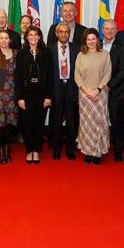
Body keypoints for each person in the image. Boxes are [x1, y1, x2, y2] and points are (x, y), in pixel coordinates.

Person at [16, 27, 53, 163]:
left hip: (42, 95)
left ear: (39, 37)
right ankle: (29, 150)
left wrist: (49, 96)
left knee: (39, 123)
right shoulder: (21, 53)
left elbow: (50, 76)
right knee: (27, 123)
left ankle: (36, 150)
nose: (33, 37)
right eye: (30, 35)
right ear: (26, 37)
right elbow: (18, 76)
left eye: (36, 35)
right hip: (26, 95)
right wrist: (19, 97)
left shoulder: (46, 52)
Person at [75, 28, 112, 164]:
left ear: (98, 40)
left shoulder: (105, 55)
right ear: (85, 41)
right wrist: (86, 91)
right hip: (84, 95)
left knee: (99, 123)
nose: (91, 41)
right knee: (86, 124)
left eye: (93, 39)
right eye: (88, 39)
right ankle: (87, 151)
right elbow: (77, 76)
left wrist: (97, 90)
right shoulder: (80, 55)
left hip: (100, 94)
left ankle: (97, 153)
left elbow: (107, 74)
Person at [48, 22, 79, 160]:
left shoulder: (77, 49)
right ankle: (56, 149)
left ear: (69, 33)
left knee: (72, 122)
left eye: (66, 32)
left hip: (72, 88)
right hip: (56, 88)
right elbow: (47, 73)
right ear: (56, 33)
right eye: (61, 32)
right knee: (56, 121)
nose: (64, 34)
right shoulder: (50, 49)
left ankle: (70, 150)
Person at [101, 20, 124, 161]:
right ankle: (98, 148)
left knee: (117, 123)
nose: (109, 32)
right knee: (99, 121)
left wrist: (108, 85)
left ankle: (118, 150)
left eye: (112, 29)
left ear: (117, 30)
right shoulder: (96, 44)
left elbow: (123, 71)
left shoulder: (122, 48)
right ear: (102, 29)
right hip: (96, 91)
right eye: (106, 29)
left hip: (115, 92)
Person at [0, 30, 19, 164]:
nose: (4, 40)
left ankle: (7, 148)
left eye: (6, 38)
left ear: (9, 40)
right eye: (1, 38)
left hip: (13, 95)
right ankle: (1, 151)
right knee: (0, 124)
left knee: (9, 124)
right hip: (0, 95)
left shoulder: (16, 54)